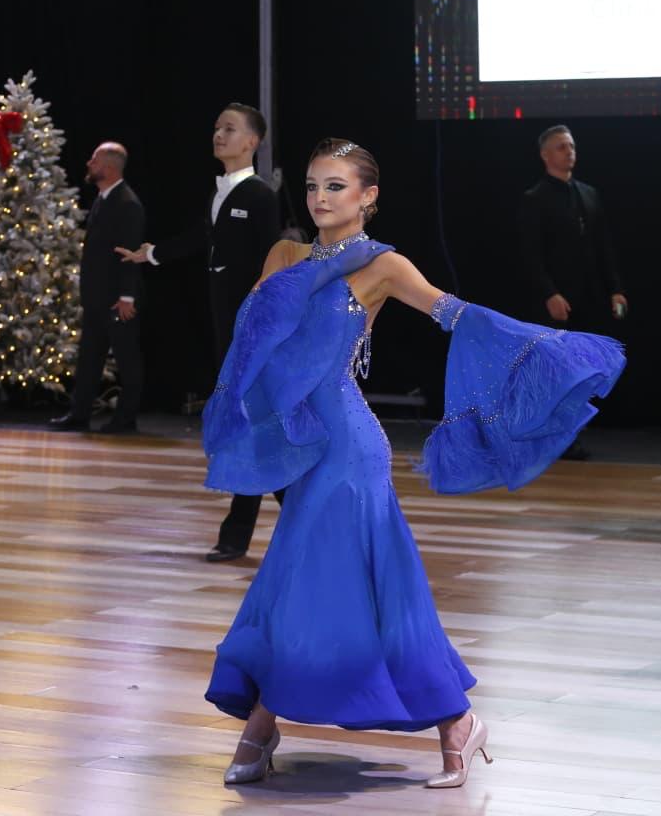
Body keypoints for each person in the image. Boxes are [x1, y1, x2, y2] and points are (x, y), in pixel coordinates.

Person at [202, 137, 625, 787]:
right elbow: (255, 350)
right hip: (305, 441)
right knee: (317, 579)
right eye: (313, 186)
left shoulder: (384, 266)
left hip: (351, 449)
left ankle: (267, 723)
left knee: (320, 577)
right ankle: (450, 722)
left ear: (368, 196)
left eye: (336, 186)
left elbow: (454, 315)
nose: (320, 198)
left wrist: (549, 356)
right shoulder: (284, 256)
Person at [117, 104, 281, 561]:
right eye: (216, 127)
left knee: (253, 426)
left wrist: (263, 322)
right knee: (251, 428)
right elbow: (201, 238)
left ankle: (245, 532)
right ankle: (275, 528)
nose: (218, 134)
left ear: (252, 142)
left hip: (252, 331)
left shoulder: (261, 196)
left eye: (230, 129)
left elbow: (274, 261)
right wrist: (153, 254)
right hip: (226, 329)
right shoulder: (219, 193)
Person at [518, 125, 626, 459]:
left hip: (588, 297)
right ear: (545, 155)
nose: (569, 152)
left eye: (572, 146)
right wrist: (549, 293)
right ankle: (551, 438)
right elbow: (530, 255)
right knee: (555, 370)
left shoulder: (589, 194)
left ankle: (571, 433)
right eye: (562, 147)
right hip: (556, 301)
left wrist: (615, 289)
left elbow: (603, 247)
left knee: (582, 369)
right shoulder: (535, 199)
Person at [51, 142, 145, 433]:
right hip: (96, 298)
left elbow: (129, 253)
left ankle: (126, 418)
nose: (89, 164)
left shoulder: (127, 204)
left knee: (127, 359)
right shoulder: (103, 199)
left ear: (109, 167)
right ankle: (79, 414)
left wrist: (127, 296)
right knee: (89, 358)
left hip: (117, 299)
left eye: (94, 160)